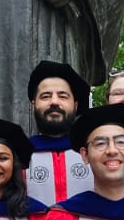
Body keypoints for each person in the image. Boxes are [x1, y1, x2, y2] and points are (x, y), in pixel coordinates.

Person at [24, 59, 93, 206]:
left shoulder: (95, 153)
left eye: (63, 96)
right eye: (46, 96)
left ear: (75, 105)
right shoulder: (18, 156)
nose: (54, 102)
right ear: (33, 105)